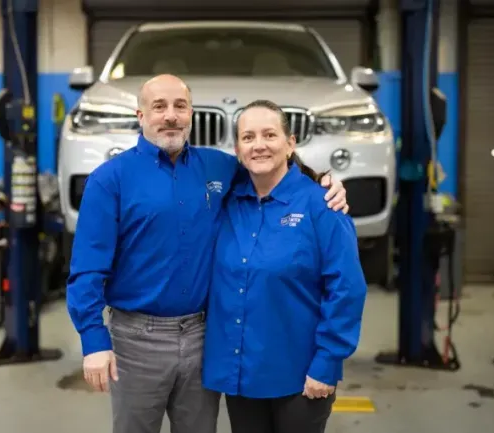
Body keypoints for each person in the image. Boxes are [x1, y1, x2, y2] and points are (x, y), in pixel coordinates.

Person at [66, 74, 349, 433]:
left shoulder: (218, 167)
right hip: (137, 341)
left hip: (204, 339)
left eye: (180, 106)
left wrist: (324, 183)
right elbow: (87, 269)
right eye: (159, 107)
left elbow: (270, 170)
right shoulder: (110, 180)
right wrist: (93, 340)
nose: (170, 115)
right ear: (140, 116)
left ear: (191, 115)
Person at [202, 99, 368, 433]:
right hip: (242, 375)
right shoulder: (228, 203)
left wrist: (327, 362)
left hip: (299, 376)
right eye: (248, 137)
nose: (259, 145)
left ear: (290, 143)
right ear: (237, 148)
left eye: (269, 135)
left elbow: (346, 289)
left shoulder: (321, 206)